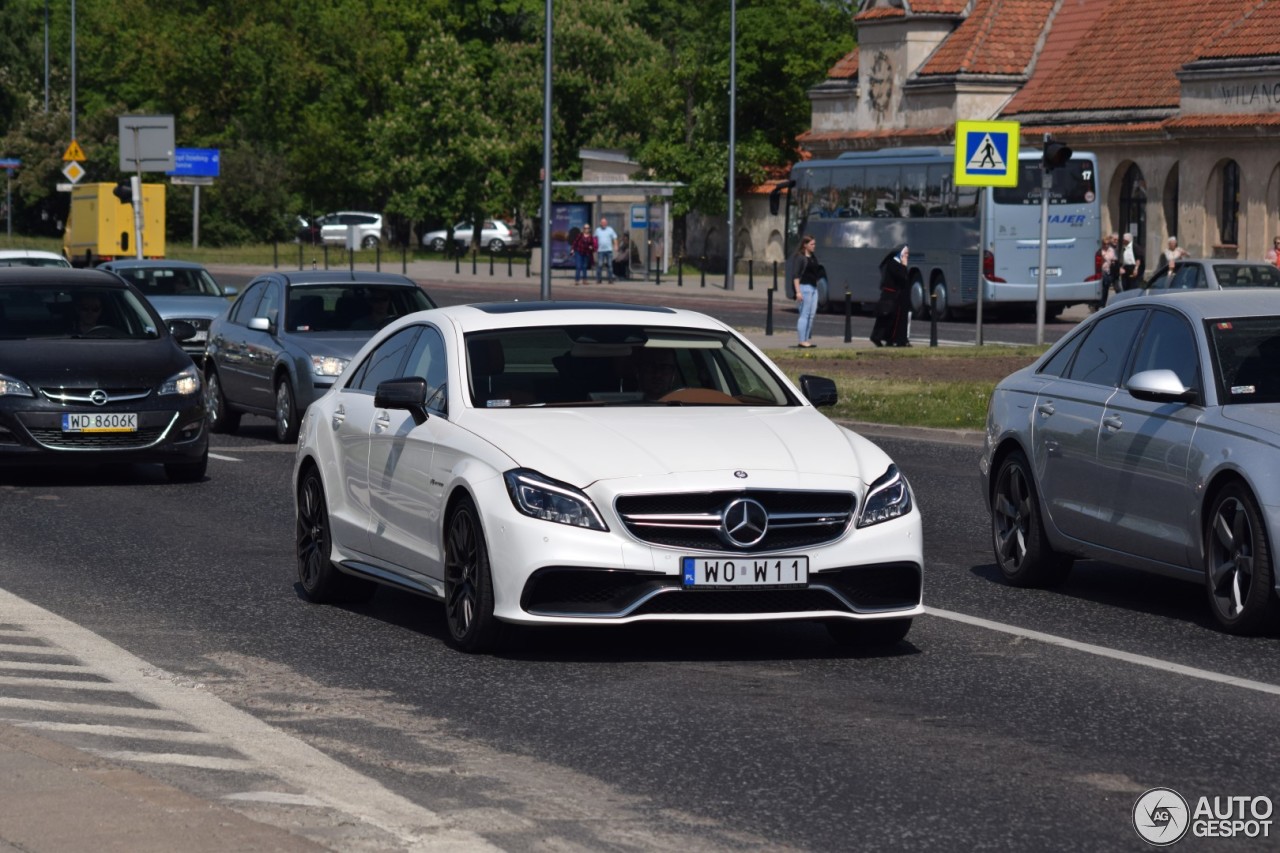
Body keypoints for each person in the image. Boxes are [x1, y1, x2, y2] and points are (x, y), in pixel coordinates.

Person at [870, 244, 911, 347]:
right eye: (905, 253)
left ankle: (894, 339)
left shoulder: (895, 263)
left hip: (896, 297)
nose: (907, 256)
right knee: (886, 318)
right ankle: (877, 337)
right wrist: (904, 265)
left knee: (894, 321)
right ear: (900, 254)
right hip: (891, 296)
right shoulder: (893, 264)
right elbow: (902, 277)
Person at [790, 235, 823, 348]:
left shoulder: (813, 257)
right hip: (804, 288)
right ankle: (801, 340)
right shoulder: (800, 258)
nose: (814, 246)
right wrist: (798, 292)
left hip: (813, 288)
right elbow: (796, 276)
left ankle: (806, 339)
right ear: (805, 245)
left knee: (811, 315)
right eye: (812, 244)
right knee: (804, 314)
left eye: (814, 244)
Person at [593, 217, 618, 284]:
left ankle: (610, 280)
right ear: (600, 223)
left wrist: (616, 245)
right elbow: (594, 239)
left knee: (610, 265)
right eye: (602, 222)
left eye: (605, 222)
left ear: (606, 223)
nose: (604, 224)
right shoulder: (597, 230)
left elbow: (615, 238)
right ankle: (599, 279)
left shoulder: (610, 229)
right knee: (600, 265)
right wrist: (594, 247)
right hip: (600, 251)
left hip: (609, 250)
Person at [1096, 234, 1118, 308]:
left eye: (1108, 244)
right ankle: (1099, 304)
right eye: (1104, 244)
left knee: (1106, 288)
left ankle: (1103, 304)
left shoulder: (1111, 249)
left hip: (1109, 271)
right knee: (1102, 287)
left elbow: (1113, 257)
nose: (1106, 245)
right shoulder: (1100, 250)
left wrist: (1114, 261)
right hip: (1101, 271)